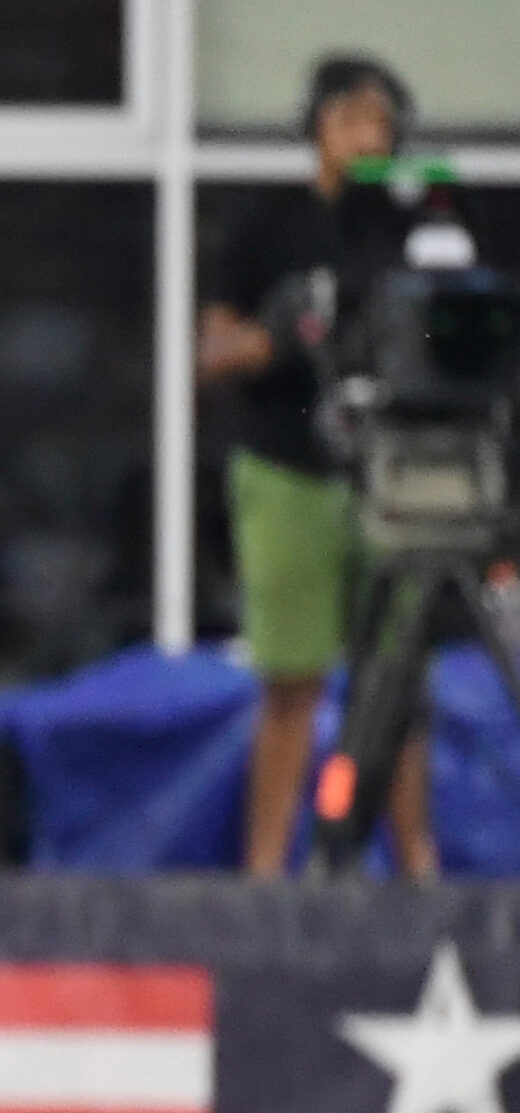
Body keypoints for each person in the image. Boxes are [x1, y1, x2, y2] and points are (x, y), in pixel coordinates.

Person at [199, 55, 433, 879]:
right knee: (293, 681)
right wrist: (277, 332)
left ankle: (417, 862)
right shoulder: (271, 224)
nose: (368, 136)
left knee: (397, 686)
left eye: (382, 123)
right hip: (289, 467)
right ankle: (266, 870)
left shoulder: (410, 226)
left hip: (392, 476)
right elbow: (212, 352)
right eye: (350, 119)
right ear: (318, 129)